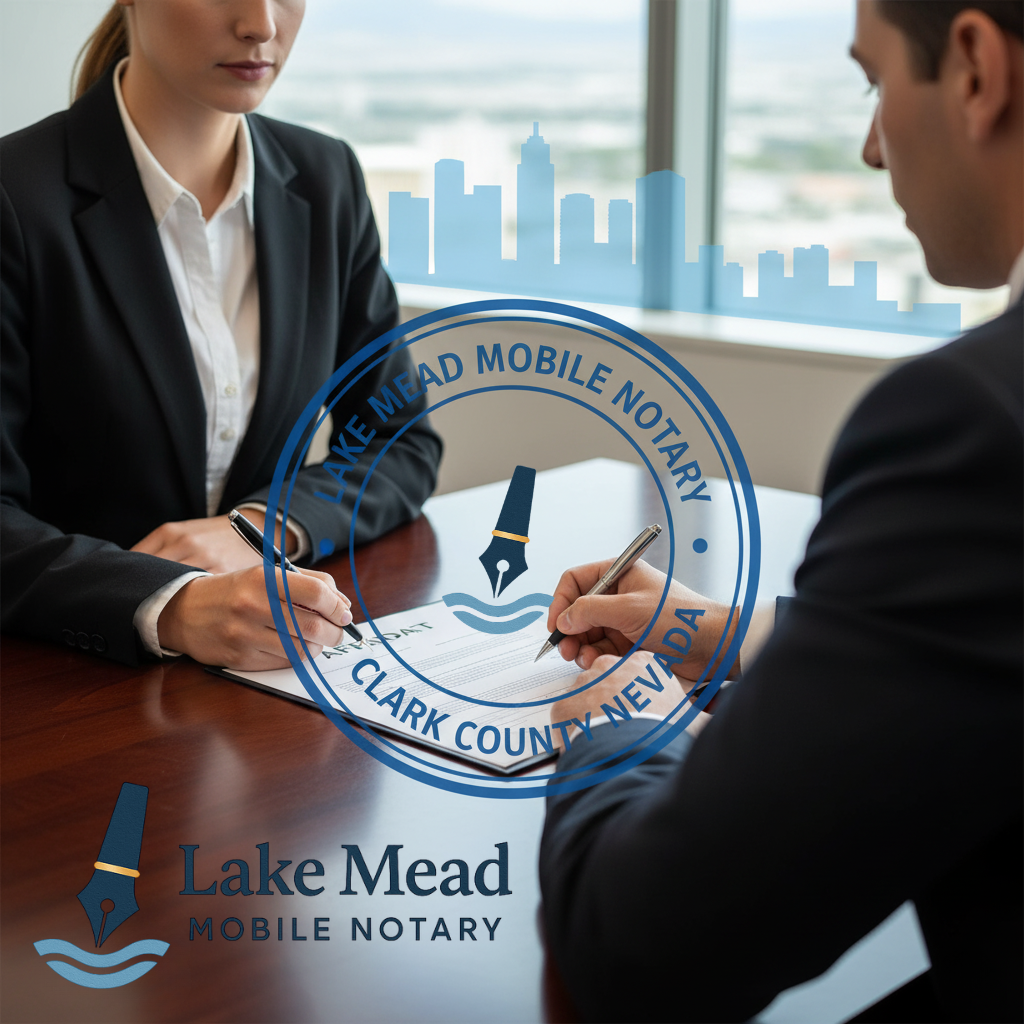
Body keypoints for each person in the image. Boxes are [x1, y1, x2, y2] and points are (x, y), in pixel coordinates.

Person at [539, 2, 1022, 1021]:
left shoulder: (973, 423)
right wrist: (720, 635)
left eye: (872, 80)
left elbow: (643, 951)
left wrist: (613, 728)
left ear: (974, 68)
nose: (867, 144)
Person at [0, 0, 442, 670]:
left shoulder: (327, 181)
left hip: (267, 677)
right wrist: (171, 603)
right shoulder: (15, 197)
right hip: (59, 681)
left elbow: (398, 439)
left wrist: (259, 528)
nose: (261, 24)